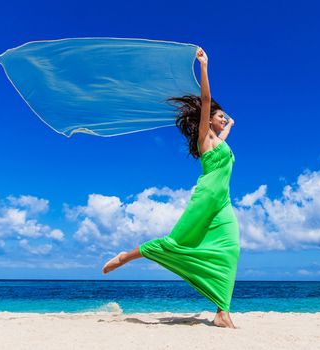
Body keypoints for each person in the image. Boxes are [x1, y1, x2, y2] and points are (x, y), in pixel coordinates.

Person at [101, 47, 240, 329]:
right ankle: (127, 256)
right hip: (206, 197)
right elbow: (205, 101)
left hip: (222, 202)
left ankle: (222, 312)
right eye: (220, 116)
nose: (223, 119)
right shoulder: (205, 138)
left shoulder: (221, 140)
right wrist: (204, 66)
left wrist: (231, 125)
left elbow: (224, 134)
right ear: (209, 118)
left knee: (231, 249)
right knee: (176, 242)